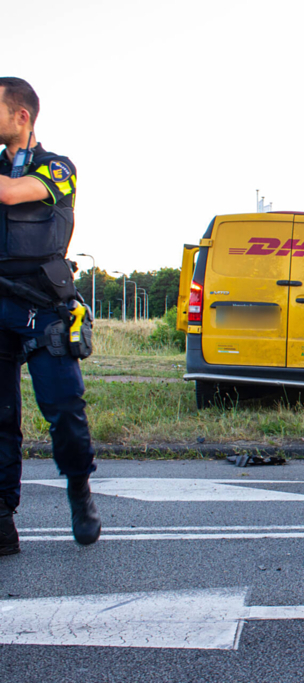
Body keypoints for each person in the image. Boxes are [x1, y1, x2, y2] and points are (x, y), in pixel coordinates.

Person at [0, 77, 100, 555]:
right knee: (0, 418)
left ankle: (79, 491)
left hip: (43, 304)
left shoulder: (58, 168)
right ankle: (2, 518)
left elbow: (13, 194)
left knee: (63, 409)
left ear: (21, 115)